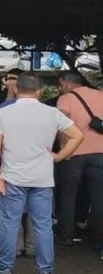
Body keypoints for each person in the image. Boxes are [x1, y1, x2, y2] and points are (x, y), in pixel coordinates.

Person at [0, 73, 84, 274]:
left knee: (9, 224)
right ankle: (46, 272)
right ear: (40, 91)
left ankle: (3, 268)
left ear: (17, 90)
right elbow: (78, 135)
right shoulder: (51, 113)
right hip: (43, 178)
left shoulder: (4, 113)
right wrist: (60, 156)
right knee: (43, 226)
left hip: (13, 177)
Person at [55, 71, 103, 247]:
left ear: (68, 83)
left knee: (69, 194)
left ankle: (65, 235)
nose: (59, 89)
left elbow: (61, 127)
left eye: (60, 85)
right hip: (100, 154)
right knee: (99, 198)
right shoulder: (101, 95)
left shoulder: (66, 99)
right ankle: (98, 238)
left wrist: (63, 150)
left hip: (74, 154)